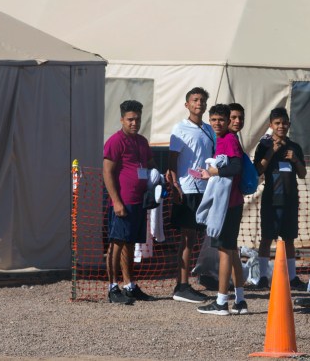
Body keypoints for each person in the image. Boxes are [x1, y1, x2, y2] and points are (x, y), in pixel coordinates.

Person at [103, 100, 158, 304]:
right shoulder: (115, 141)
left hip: (139, 201)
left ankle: (129, 285)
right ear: (122, 120)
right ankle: (112, 287)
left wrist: (159, 177)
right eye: (130, 119)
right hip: (122, 201)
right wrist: (116, 202)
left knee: (130, 244)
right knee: (116, 244)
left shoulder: (142, 142)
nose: (134, 123)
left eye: (137, 119)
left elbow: (150, 164)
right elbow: (107, 172)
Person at [196, 104, 249, 316]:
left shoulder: (228, 140)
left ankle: (221, 302)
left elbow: (236, 167)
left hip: (228, 205)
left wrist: (214, 171)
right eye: (214, 120)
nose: (217, 123)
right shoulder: (224, 140)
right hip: (232, 203)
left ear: (228, 121)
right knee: (232, 250)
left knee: (224, 251)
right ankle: (241, 300)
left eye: (221, 120)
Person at [165, 87, 215, 303]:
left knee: (195, 238)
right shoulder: (180, 128)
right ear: (187, 104)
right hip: (187, 188)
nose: (199, 104)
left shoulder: (209, 129)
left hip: (205, 188)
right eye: (195, 100)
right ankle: (181, 285)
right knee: (186, 238)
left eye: (202, 100)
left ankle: (187, 282)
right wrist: (175, 184)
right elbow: (172, 160)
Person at [253, 107, 307, 290]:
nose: (281, 126)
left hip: (290, 199)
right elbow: (258, 171)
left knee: (289, 239)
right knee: (267, 238)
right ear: (271, 125)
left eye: (284, 123)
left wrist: (295, 160)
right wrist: (270, 152)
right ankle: (262, 277)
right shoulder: (264, 145)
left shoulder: (295, 147)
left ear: (289, 124)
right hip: (271, 199)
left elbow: (303, 173)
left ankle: (291, 277)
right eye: (277, 123)